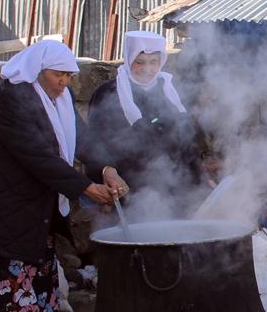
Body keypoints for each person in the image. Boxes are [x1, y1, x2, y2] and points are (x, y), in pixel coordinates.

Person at [0, 41, 129, 312]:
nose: (64, 82)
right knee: (12, 272)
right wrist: (86, 188)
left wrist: (108, 170)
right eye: (58, 74)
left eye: (69, 75)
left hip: (31, 204)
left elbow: (84, 141)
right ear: (38, 70)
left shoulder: (58, 100)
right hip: (1, 202)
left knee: (38, 269)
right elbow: (38, 157)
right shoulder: (12, 99)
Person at [83, 30, 209, 196]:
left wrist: (199, 177)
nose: (147, 69)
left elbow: (186, 139)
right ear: (129, 59)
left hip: (176, 184)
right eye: (140, 62)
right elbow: (95, 142)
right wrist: (105, 171)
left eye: (153, 62)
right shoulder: (108, 93)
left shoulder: (172, 91)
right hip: (129, 188)